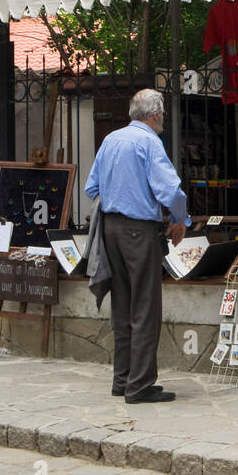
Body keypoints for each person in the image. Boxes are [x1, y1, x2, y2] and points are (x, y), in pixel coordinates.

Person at [84, 89, 189, 404]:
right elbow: (171, 190)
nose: (163, 122)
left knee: (123, 305)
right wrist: (180, 219)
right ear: (155, 115)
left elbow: (92, 187)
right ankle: (140, 385)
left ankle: (123, 379)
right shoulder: (148, 142)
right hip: (138, 231)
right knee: (145, 307)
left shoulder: (111, 140)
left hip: (111, 229)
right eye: (163, 116)